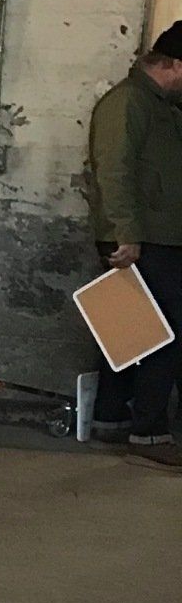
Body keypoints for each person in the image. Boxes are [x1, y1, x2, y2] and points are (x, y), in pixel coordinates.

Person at [86, 23, 182, 462]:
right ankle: (149, 432)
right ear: (176, 65)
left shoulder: (158, 105)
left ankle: (110, 419)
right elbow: (114, 168)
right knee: (163, 335)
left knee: (127, 334)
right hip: (145, 238)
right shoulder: (128, 103)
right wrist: (127, 232)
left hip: (154, 234)